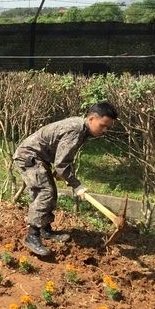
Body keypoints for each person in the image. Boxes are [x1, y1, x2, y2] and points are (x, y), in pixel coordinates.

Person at [13, 101, 118, 256]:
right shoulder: (76, 130)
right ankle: (32, 236)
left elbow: (64, 157)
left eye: (107, 127)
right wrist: (77, 185)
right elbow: (62, 164)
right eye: (103, 125)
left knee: (51, 192)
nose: (105, 130)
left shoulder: (81, 129)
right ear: (91, 119)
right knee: (45, 192)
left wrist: (61, 171)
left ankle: (45, 230)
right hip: (28, 157)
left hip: (39, 157)